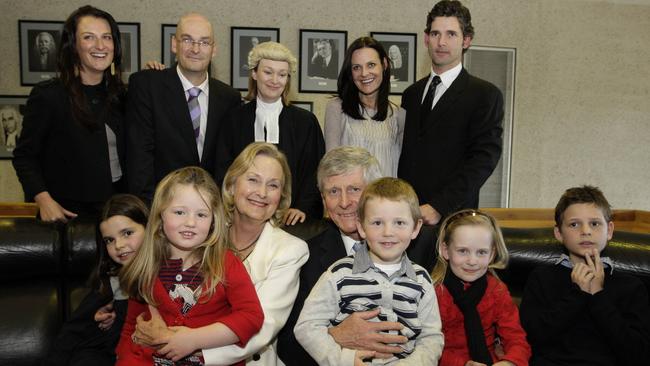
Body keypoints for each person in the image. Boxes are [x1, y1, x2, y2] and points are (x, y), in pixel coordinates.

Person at [132, 143, 309, 365]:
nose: (262, 193)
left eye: (273, 185)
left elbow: (262, 326)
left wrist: (190, 348)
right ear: (232, 184)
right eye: (253, 180)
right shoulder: (200, 227)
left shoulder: (290, 250)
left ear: (281, 195)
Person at [277, 146, 438, 366]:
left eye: (354, 189)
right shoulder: (305, 256)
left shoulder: (423, 246)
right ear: (323, 199)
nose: (344, 202)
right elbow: (288, 344)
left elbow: (437, 335)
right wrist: (335, 336)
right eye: (333, 192)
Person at [115, 166, 264, 365]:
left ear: (213, 221)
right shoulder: (147, 265)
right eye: (179, 212)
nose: (190, 222)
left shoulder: (226, 263)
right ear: (161, 216)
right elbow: (131, 329)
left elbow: (251, 317)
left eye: (201, 215)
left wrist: (193, 339)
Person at [13, 5, 126, 222]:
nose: (100, 45)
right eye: (89, 37)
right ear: (73, 45)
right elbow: (24, 157)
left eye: (107, 37)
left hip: (116, 214)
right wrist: (44, 200)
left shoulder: (124, 96)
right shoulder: (49, 96)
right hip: (65, 216)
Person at [398, 0, 504, 226]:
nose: (441, 42)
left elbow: (483, 160)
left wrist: (439, 206)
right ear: (426, 38)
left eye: (451, 34)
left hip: (454, 219)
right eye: (435, 33)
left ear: (466, 40)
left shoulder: (485, 94)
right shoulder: (411, 95)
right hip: (407, 219)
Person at [519, 186, 650, 366]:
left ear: (609, 230)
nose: (585, 231)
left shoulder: (631, 286)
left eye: (595, 223)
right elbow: (532, 339)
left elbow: (637, 355)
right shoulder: (541, 278)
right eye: (574, 224)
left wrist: (598, 295)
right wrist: (577, 293)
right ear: (559, 233)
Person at [126, 13, 241, 202]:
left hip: (210, 208)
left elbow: (227, 163)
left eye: (204, 42)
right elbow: (139, 156)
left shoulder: (229, 98)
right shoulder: (147, 85)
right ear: (174, 44)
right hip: (160, 204)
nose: (196, 49)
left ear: (214, 50)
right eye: (187, 40)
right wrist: (150, 210)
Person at [216, 41, 324, 225]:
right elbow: (223, 169)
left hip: (291, 221)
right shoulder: (234, 119)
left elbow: (315, 171)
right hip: (240, 218)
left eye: (282, 74)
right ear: (254, 73)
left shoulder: (306, 122)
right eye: (268, 72)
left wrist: (302, 208)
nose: (275, 80)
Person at [46, 194, 148, 366]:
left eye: (127, 233)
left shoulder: (172, 274)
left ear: (149, 228)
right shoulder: (113, 280)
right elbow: (73, 331)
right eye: (109, 240)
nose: (119, 245)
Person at [432, 209, 530, 366]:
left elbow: (516, 338)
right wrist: (462, 364)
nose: (472, 261)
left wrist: (509, 362)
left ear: (492, 254)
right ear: (446, 250)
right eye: (463, 251)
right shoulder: (434, 292)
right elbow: (426, 345)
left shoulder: (497, 290)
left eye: (481, 252)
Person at [324, 37, 405, 177]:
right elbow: (331, 170)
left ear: (384, 64)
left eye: (371, 65)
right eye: (357, 67)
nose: (364, 73)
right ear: (350, 72)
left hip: (388, 198)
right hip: (350, 198)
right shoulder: (336, 109)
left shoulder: (399, 114)